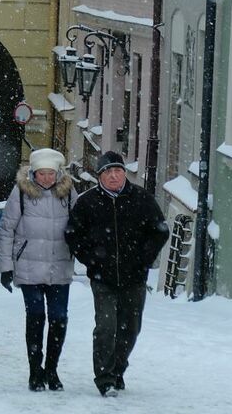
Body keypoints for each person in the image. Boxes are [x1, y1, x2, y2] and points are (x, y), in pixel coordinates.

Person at [64, 150, 169, 397]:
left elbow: (160, 231)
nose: (113, 176)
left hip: (135, 276)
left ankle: (118, 369)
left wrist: (144, 259)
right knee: (106, 326)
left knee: (130, 327)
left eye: (118, 171)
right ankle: (105, 377)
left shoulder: (141, 199)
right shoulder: (87, 202)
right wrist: (92, 260)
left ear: (124, 173)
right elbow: (72, 235)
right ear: (100, 176)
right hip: (103, 278)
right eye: (108, 172)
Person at [0, 148, 78, 392]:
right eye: (42, 173)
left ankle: (51, 369)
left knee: (59, 318)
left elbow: (81, 223)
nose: (47, 178)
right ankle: (35, 371)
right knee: (36, 316)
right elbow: (7, 228)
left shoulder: (68, 192)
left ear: (58, 173)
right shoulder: (21, 192)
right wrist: (6, 267)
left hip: (60, 264)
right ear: (33, 173)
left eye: (51, 173)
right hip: (28, 265)